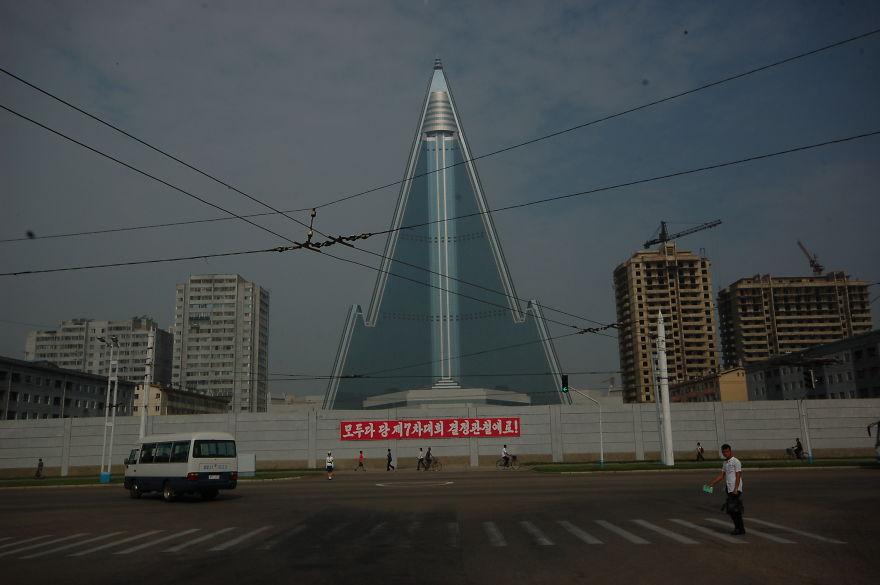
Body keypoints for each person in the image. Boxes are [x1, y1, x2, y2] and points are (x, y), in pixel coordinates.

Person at [706, 443, 745, 535]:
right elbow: (722, 475)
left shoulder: (736, 461)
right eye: (723, 452)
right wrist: (712, 484)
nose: (725, 453)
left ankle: (739, 528)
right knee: (734, 510)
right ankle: (740, 528)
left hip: (735, 489)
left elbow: (738, 475)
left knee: (733, 510)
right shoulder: (725, 463)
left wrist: (736, 488)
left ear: (730, 451)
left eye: (727, 451)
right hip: (729, 489)